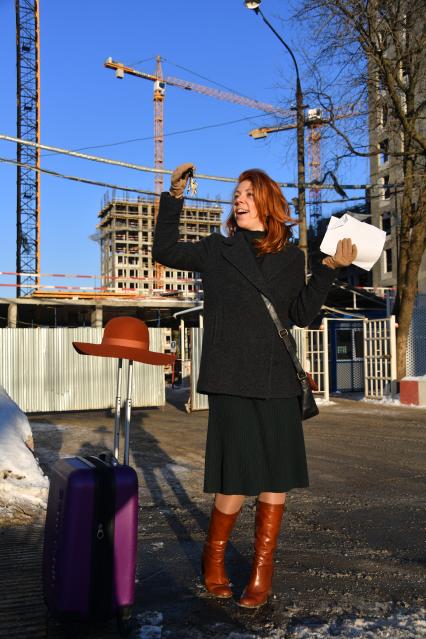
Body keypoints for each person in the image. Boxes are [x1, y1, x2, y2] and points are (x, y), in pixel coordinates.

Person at [152, 163, 357, 609]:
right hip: (231, 376)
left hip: (277, 378)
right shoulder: (217, 249)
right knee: (235, 478)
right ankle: (215, 557)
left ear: (265, 201)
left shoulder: (291, 257)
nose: (238, 198)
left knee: (275, 475)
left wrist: (330, 269)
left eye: (247, 193)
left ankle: (263, 569)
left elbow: (302, 315)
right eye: (236, 193)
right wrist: (174, 196)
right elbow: (164, 249)